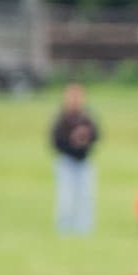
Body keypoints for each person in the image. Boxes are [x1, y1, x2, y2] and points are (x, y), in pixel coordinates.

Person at [48, 84, 98, 235]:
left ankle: (84, 229)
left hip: (84, 162)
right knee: (66, 197)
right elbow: (54, 140)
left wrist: (85, 141)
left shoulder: (87, 117)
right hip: (66, 162)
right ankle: (64, 229)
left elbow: (97, 135)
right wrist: (71, 144)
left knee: (86, 197)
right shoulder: (62, 118)